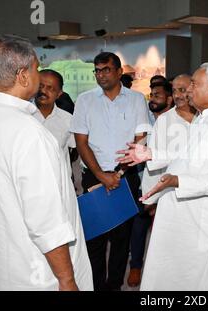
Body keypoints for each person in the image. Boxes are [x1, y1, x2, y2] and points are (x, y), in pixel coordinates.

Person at [0, 34, 92, 291]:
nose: (38, 75)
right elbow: (46, 222)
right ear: (23, 76)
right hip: (29, 271)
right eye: (35, 68)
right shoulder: (28, 132)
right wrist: (67, 279)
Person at [117, 62, 208, 290]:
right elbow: (188, 156)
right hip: (186, 217)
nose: (189, 90)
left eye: (195, 84)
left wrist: (178, 181)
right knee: (181, 276)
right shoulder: (203, 118)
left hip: (206, 220)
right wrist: (151, 153)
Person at [70, 51, 150, 291]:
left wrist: (119, 172)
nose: (101, 74)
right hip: (93, 175)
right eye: (97, 70)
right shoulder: (85, 100)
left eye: (106, 69)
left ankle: (113, 286)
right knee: (94, 238)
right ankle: (95, 286)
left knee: (121, 237)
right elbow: (81, 142)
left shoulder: (136, 99)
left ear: (118, 72)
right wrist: (102, 175)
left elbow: (141, 138)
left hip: (125, 175)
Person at [127, 74, 196, 287]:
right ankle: (137, 266)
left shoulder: (204, 119)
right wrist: (151, 197)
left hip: (195, 189)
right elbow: (153, 159)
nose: (178, 95)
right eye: (174, 91)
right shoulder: (165, 120)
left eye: (183, 90)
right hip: (165, 189)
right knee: (161, 237)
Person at [34, 69, 76, 177]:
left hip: (59, 184)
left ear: (59, 94)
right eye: (40, 86)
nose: (43, 91)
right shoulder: (24, 115)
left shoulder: (68, 120)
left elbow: (76, 150)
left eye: (50, 88)